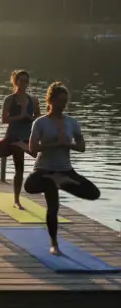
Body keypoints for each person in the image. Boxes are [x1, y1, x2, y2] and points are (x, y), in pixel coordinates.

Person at [25, 82, 100, 256]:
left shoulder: (72, 123)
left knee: (93, 193)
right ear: (50, 100)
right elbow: (32, 148)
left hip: (65, 170)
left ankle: (59, 181)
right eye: (59, 101)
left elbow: (81, 146)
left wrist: (68, 144)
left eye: (65, 101)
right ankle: (54, 245)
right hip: (44, 170)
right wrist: (53, 144)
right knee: (38, 194)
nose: (62, 105)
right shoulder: (40, 123)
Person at [0, 70, 41, 209]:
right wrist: (20, 116)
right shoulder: (9, 99)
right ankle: (17, 200)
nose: (24, 83)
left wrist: (30, 118)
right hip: (13, 137)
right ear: (15, 81)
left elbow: (38, 118)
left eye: (26, 81)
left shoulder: (33, 99)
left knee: (39, 156)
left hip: (27, 137)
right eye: (21, 80)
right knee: (19, 168)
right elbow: (4, 119)